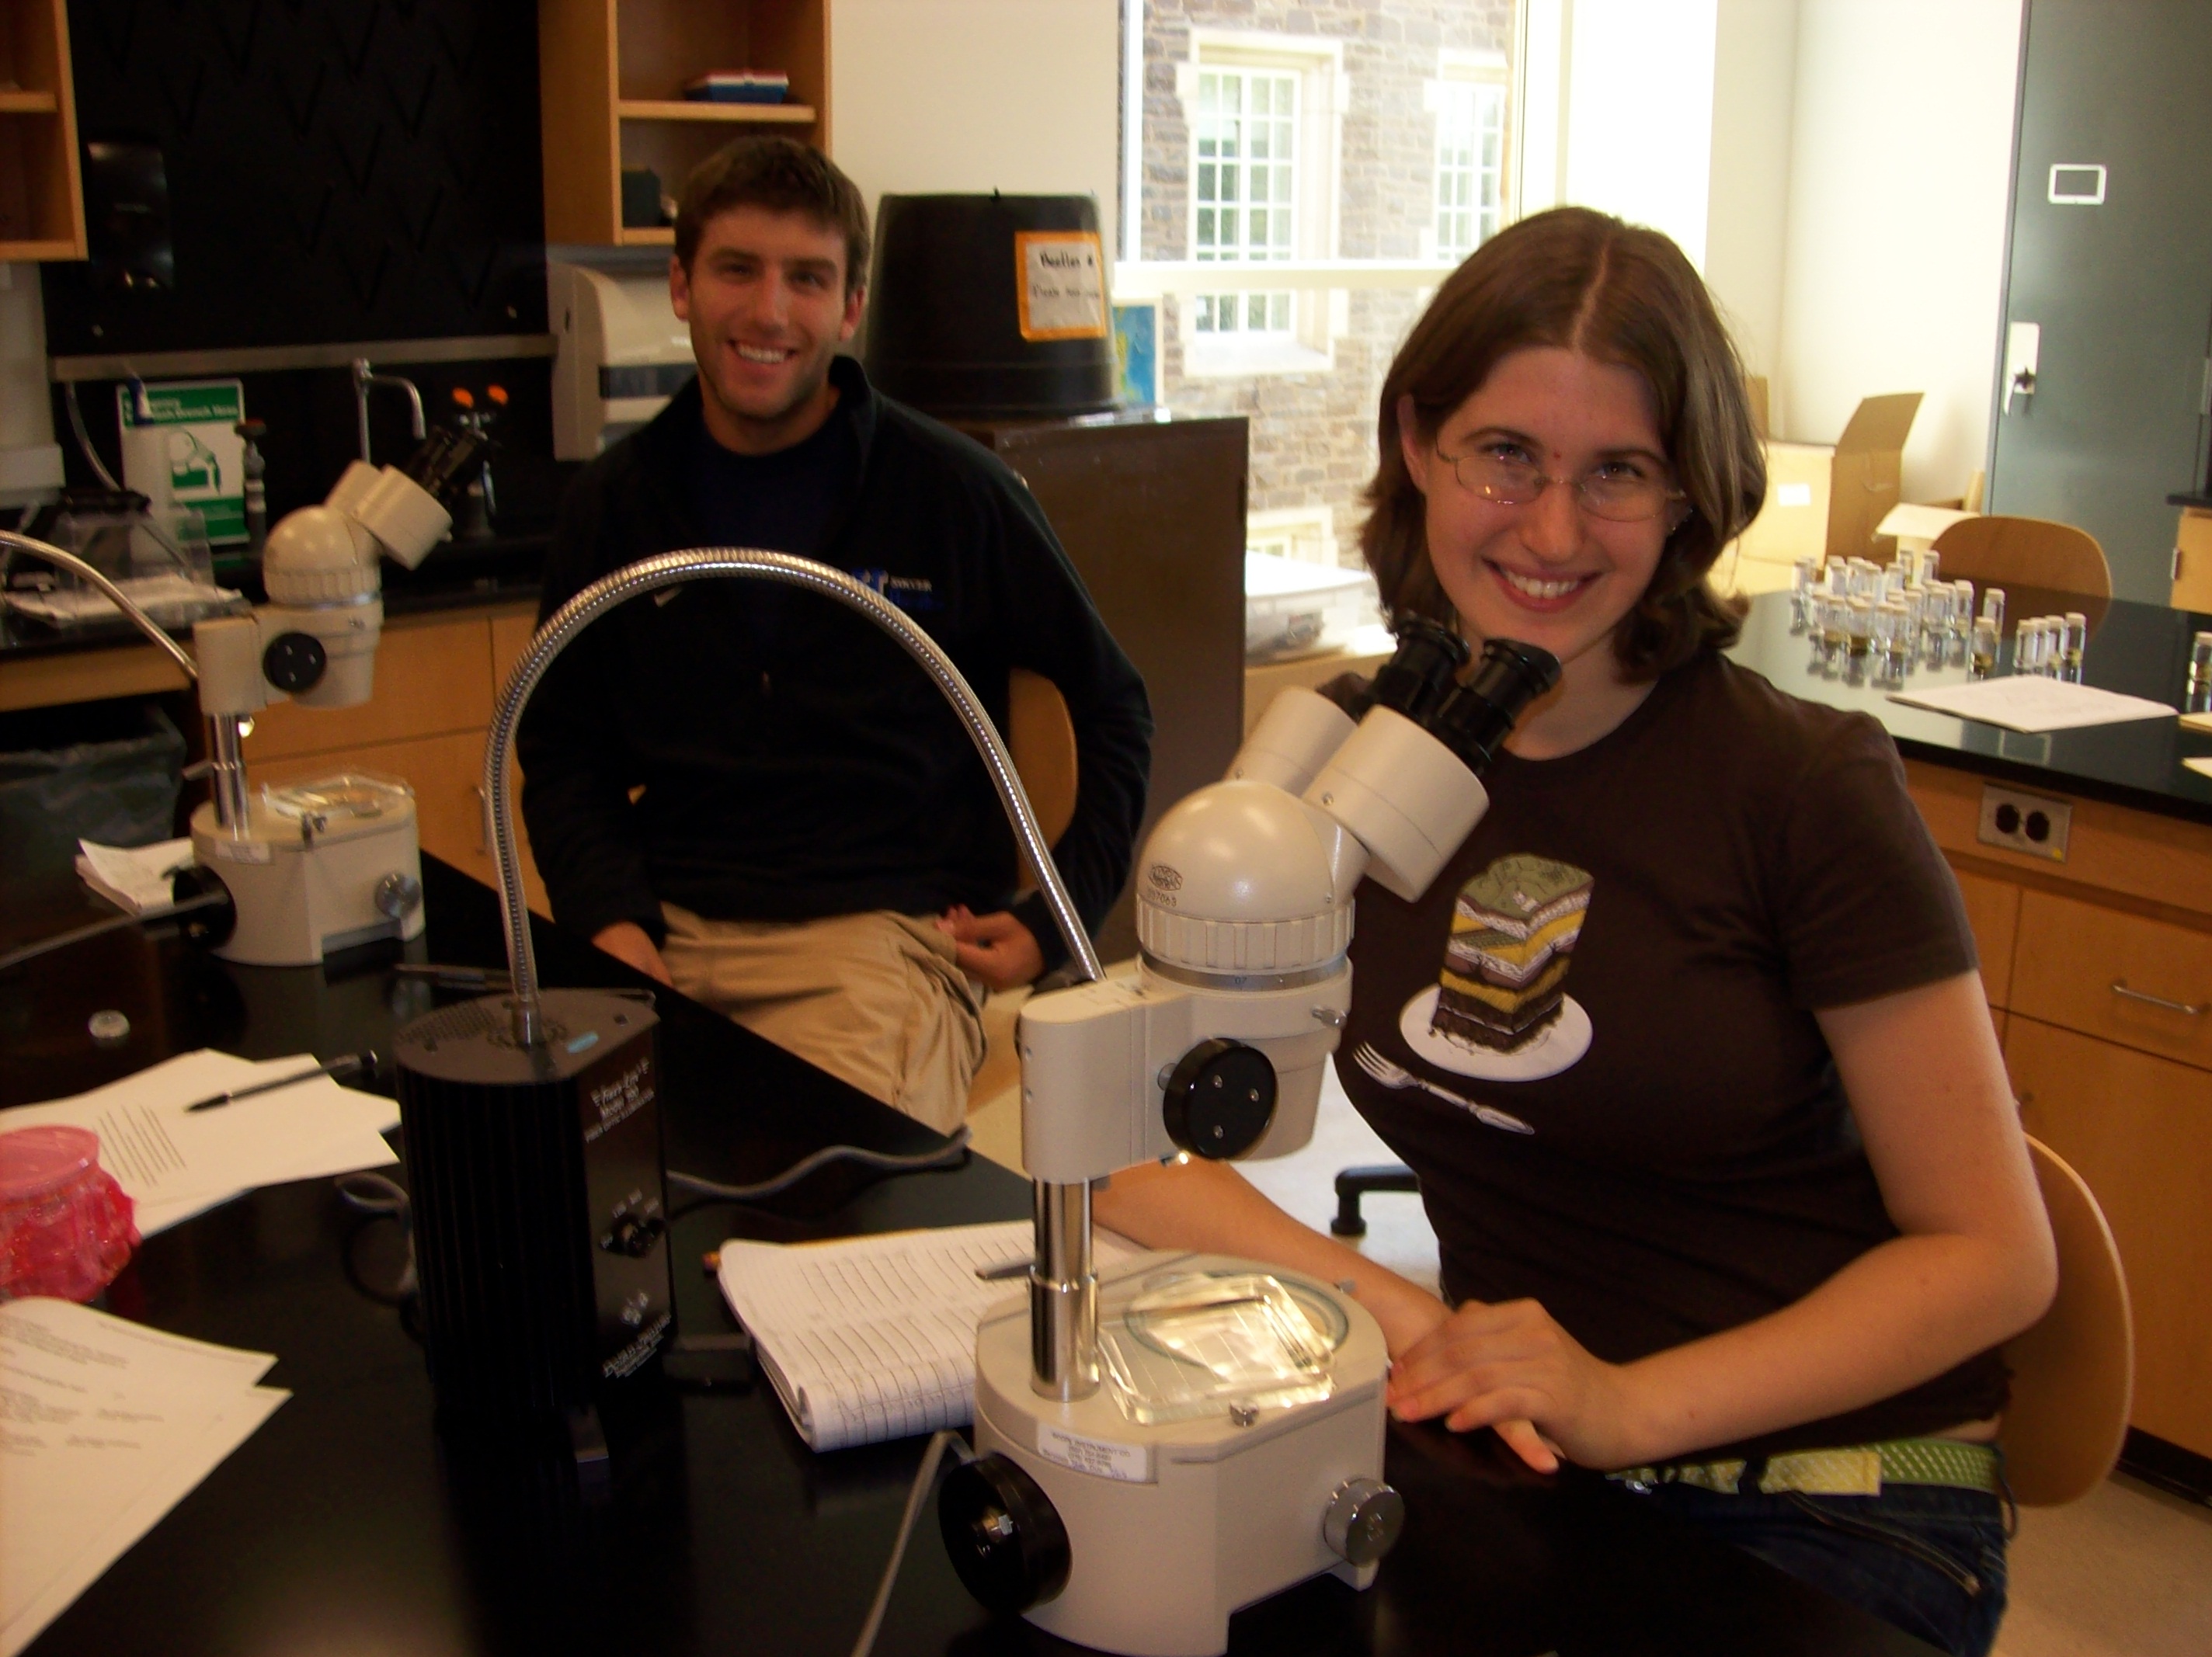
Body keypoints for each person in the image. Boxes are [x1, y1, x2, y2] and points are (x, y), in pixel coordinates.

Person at [1096, 207, 2054, 1657]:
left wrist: (1622, 1397)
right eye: (1504, 456)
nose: (1549, 530)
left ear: (1688, 497)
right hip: (1510, 1445)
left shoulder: (1801, 787)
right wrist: (1410, 1317)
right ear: (1417, 442)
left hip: (1819, 1491)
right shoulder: (1346, 760)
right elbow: (1132, 1148)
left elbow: (1993, 1253)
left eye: (1617, 472)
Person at [518, 138, 1152, 1132]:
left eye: (807, 280)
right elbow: (559, 745)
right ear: (682, 286)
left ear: (850, 307)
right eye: (737, 270)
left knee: (827, 1205)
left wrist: (1054, 919)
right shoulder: (615, 507)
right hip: (662, 933)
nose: (770, 313)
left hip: (876, 941)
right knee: (569, 1195)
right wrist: (608, 916)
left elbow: (1115, 705)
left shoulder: (952, 495)